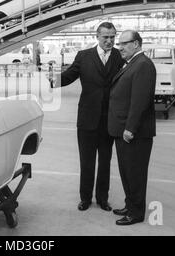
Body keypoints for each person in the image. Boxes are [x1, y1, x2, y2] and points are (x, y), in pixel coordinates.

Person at [53, 22, 124, 211]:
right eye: (105, 37)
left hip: (109, 119)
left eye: (112, 37)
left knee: (105, 161)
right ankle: (85, 198)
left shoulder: (119, 56)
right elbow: (69, 76)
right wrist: (49, 81)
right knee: (87, 161)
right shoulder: (84, 56)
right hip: (87, 118)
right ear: (97, 37)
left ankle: (102, 198)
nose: (109, 41)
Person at [108, 30, 156, 225]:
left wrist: (130, 128)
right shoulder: (133, 64)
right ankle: (131, 204)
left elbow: (140, 101)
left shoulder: (143, 65)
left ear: (136, 44)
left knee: (135, 173)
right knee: (127, 172)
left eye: (124, 43)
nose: (119, 48)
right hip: (123, 130)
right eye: (119, 44)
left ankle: (136, 213)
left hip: (133, 133)